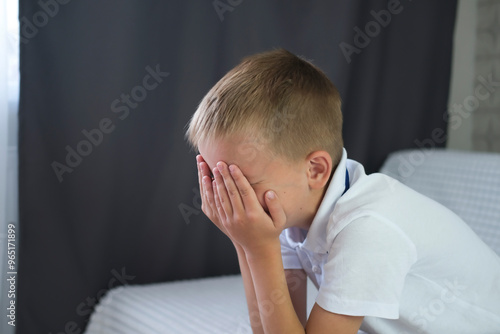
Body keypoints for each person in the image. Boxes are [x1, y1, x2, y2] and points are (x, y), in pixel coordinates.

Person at [185, 49, 500, 334]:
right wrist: (246, 243)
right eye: (215, 178)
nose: (228, 198)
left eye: (241, 182)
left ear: (316, 170)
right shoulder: (286, 214)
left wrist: (257, 249)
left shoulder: (367, 228)